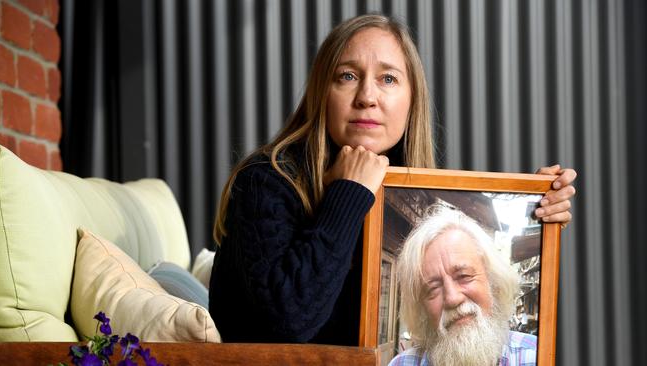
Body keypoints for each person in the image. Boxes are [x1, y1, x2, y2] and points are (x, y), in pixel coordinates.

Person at [208, 14, 577, 345]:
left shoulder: (411, 192)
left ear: (410, 100)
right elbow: (286, 324)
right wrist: (346, 195)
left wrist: (536, 207)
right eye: (347, 76)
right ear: (322, 92)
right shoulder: (263, 183)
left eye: (388, 79)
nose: (367, 96)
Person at [390, 205, 536, 366]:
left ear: (493, 281)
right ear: (422, 309)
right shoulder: (402, 364)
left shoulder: (539, 356)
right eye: (432, 289)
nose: (452, 298)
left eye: (464, 276)